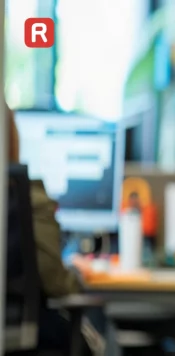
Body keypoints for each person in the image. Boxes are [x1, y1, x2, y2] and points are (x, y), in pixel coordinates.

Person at [7, 105, 119, 355]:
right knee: (96, 316)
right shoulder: (25, 199)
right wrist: (74, 273)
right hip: (27, 335)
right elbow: (57, 283)